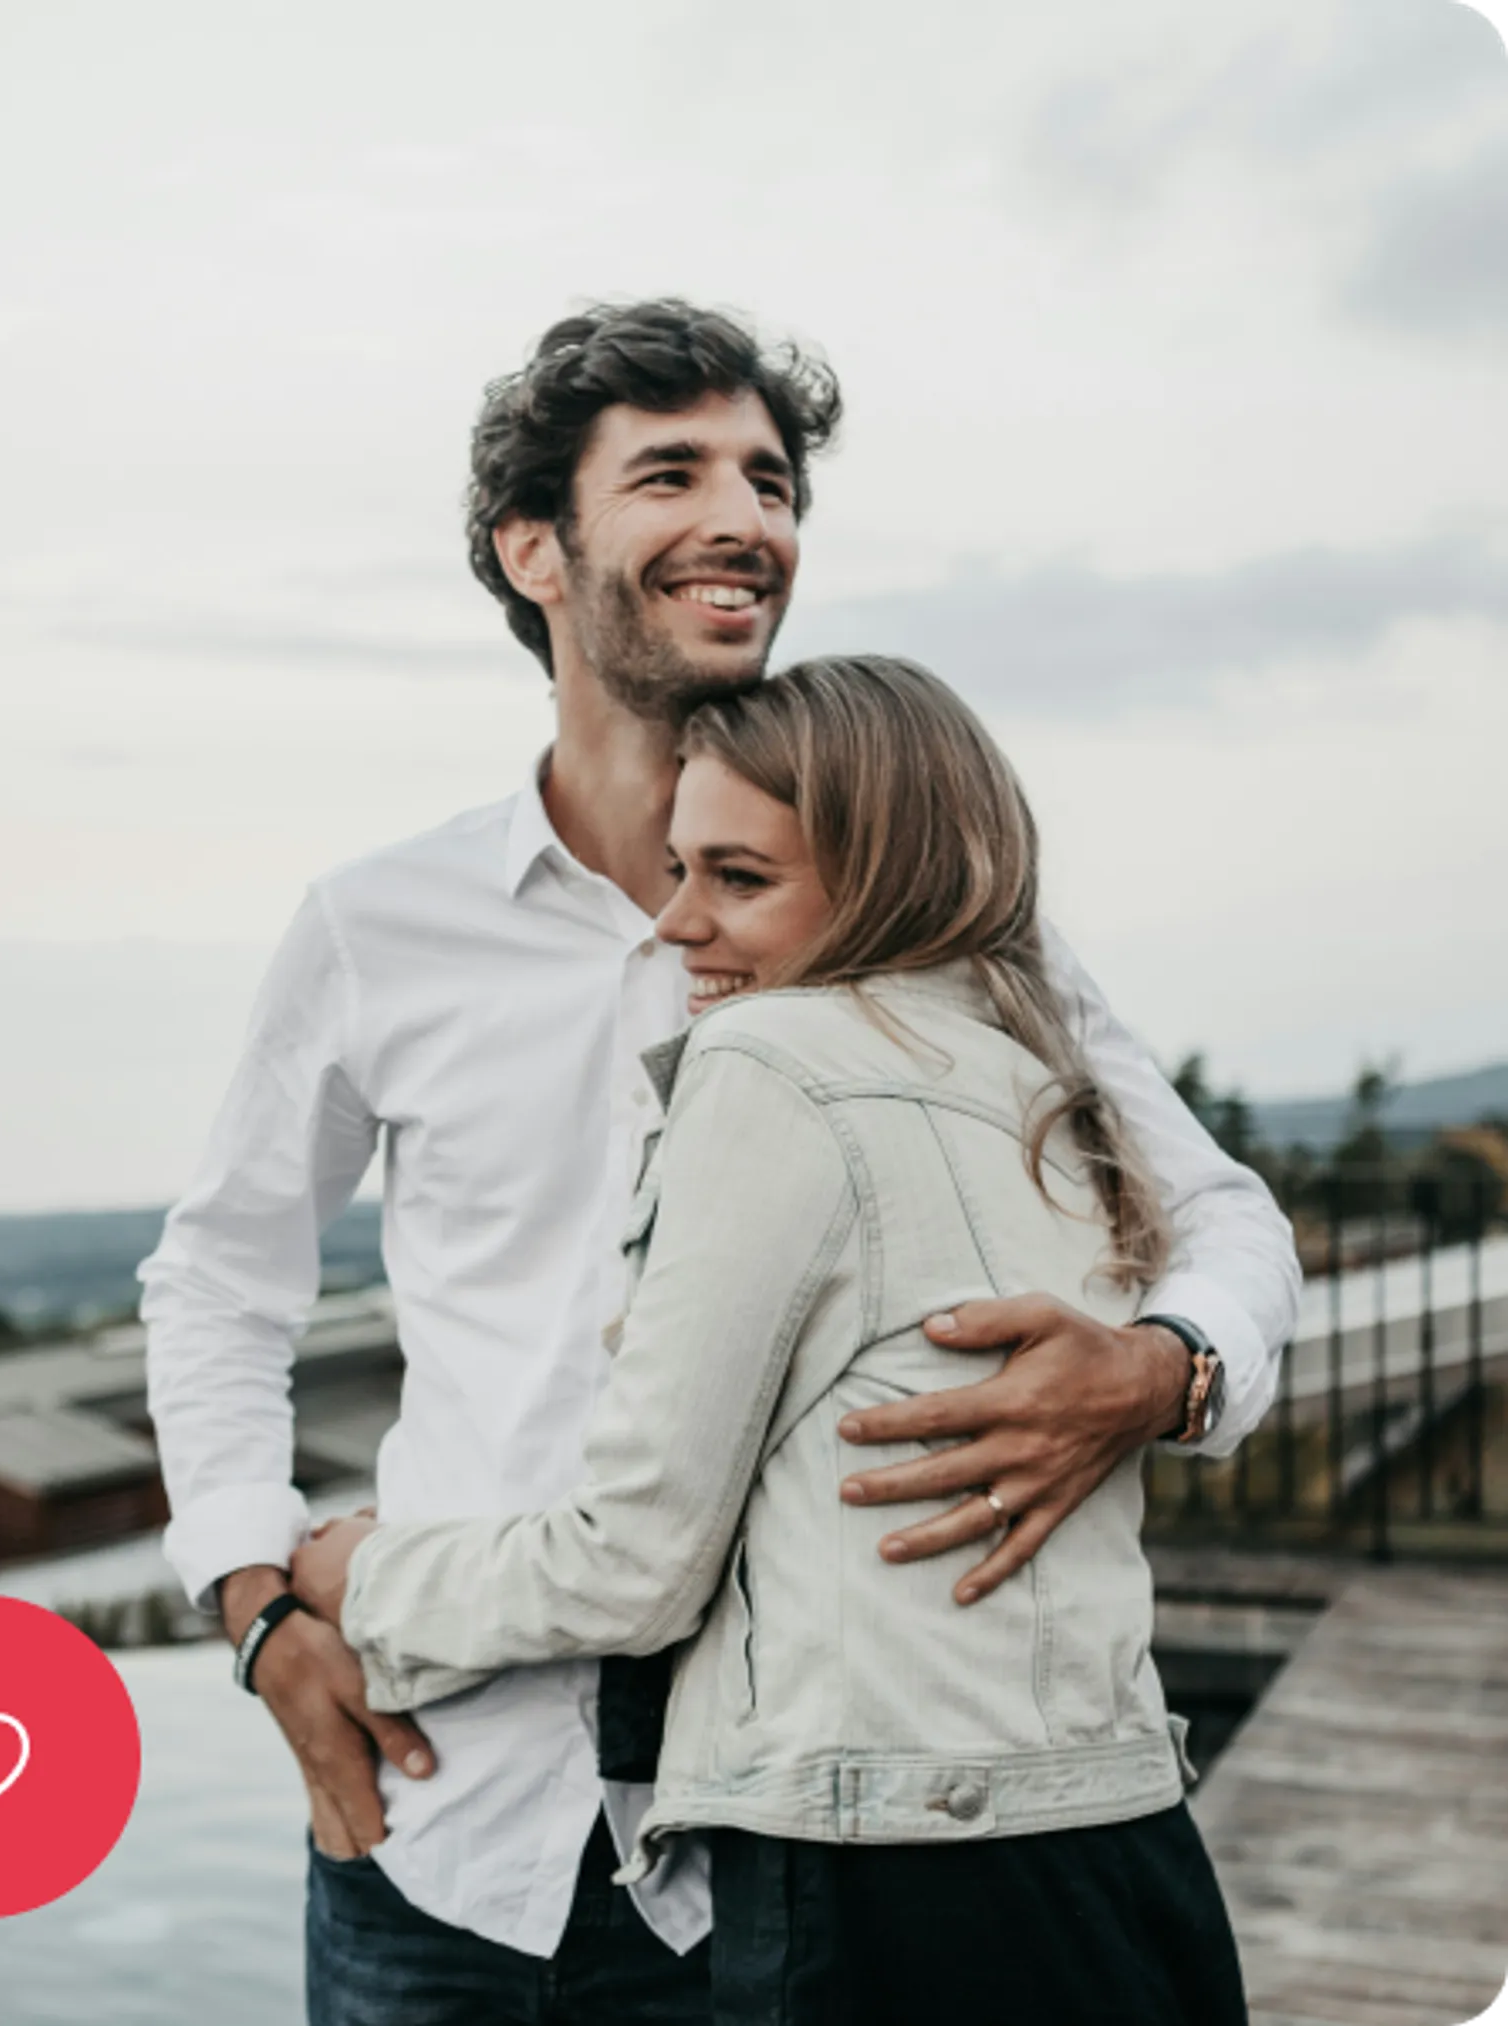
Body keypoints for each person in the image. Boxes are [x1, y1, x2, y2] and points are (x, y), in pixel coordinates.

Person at [139, 300, 1298, 2024]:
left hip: (771, 1861)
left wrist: (1163, 1366)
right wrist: (257, 1604)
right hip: (435, 1814)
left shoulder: (944, 925)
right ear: (534, 547)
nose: (745, 517)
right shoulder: (376, 926)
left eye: (768, 478)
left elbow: (1218, 1210)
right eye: (671, 473)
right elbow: (220, 1281)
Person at [292, 655, 1249, 2025]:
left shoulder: (769, 1064)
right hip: (1124, 1846)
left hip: (890, 1887)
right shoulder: (1048, 1080)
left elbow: (635, 1563)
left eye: (737, 879)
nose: (678, 925)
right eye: (681, 870)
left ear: (887, 879)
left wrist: (363, 1578)